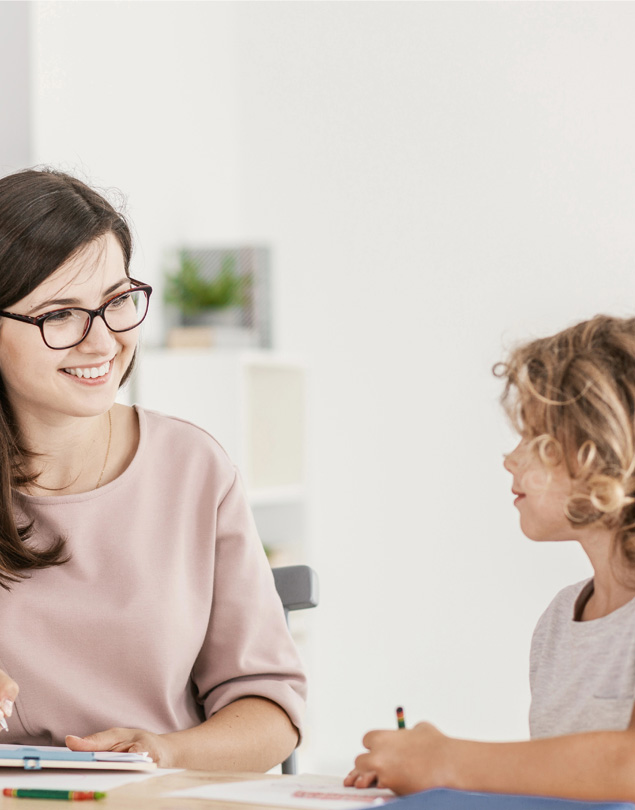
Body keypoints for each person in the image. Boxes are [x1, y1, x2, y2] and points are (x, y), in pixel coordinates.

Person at [0, 168, 306, 771]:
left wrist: (166, 751)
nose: (103, 342)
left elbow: (270, 712)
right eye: (60, 314)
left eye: (117, 302)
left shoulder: (192, 469)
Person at [345, 315, 635, 801]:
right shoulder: (559, 622)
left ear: (598, 451)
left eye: (533, 437)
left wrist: (442, 760)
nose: (510, 458)